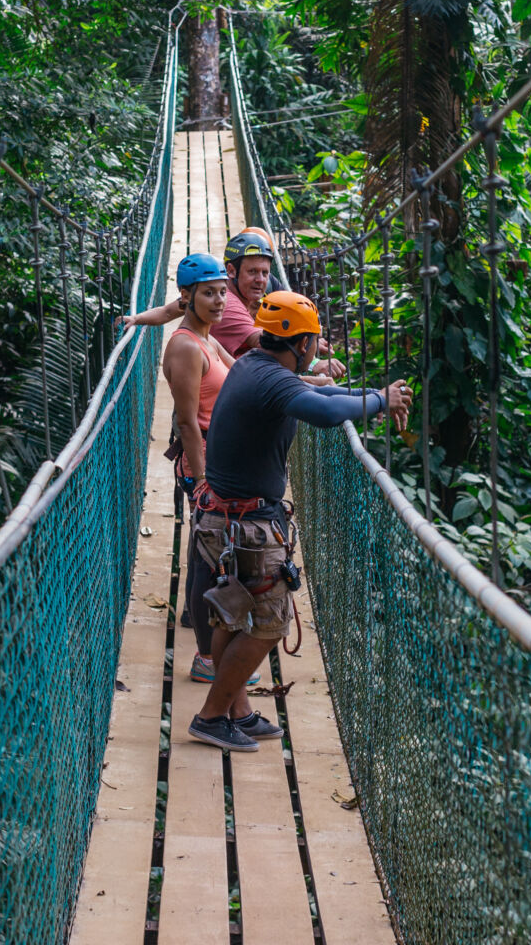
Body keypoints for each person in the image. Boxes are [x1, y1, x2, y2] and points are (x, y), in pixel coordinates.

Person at [185, 291, 411, 752]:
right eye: (316, 340)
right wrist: (381, 400)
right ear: (304, 342)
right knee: (269, 625)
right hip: (245, 525)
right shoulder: (270, 380)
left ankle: (237, 711)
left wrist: (372, 397)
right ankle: (211, 717)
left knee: (235, 609)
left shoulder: (255, 365)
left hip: (226, 519)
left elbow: (320, 393)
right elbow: (326, 412)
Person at [154, 252, 257, 686]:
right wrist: (200, 484)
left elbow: (245, 379)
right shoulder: (184, 345)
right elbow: (185, 422)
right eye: (208, 294)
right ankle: (206, 659)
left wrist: (309, 383)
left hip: (224, 463)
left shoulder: (206, 338)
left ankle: (216, 650)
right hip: (206, 468)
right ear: (186, 297)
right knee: (204, 562)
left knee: (216, 558)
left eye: (220, 292)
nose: (218, 301)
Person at [124, 230, 345, 378]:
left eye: (265, 273)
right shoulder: (225, 303)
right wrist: (311, 355)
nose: (260, 280)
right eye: (252, 272)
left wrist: (136, 318)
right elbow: (269, 343)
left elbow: (166, 311)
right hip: (209, 406)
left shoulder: (209, 294)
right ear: (231, 271)